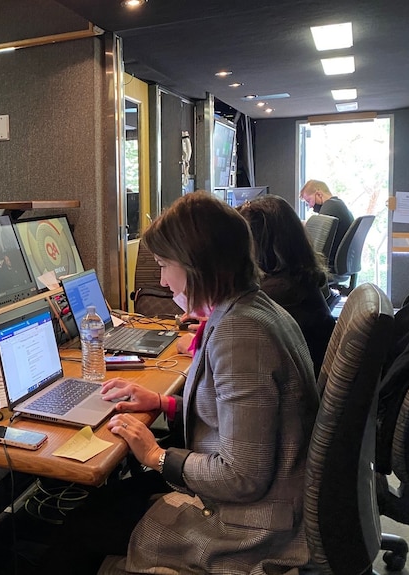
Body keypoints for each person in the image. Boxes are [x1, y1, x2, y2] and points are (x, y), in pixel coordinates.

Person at [92, 193, 318, 574]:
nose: (162, 280)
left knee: (83, 530)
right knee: (103, 511)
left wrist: (156, 456)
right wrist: (163, 403)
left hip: (255, 525)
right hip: (271, 497)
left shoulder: (240, 331)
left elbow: (242, 475)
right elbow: (244, 420)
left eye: (165, 265)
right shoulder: (251, 306)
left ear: (198, 264)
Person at [237, 195, 335, 376]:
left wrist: (198, 343)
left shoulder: (277, 295)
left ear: (259, 245)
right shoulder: (298, 281)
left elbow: (240, 350)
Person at [299, 179, 354, 269]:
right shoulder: (338, 205)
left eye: (309, 201)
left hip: (328, 266)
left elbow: (316, 241)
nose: (310, 206)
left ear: (319, 194)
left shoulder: (329, 206)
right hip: (341, 264)